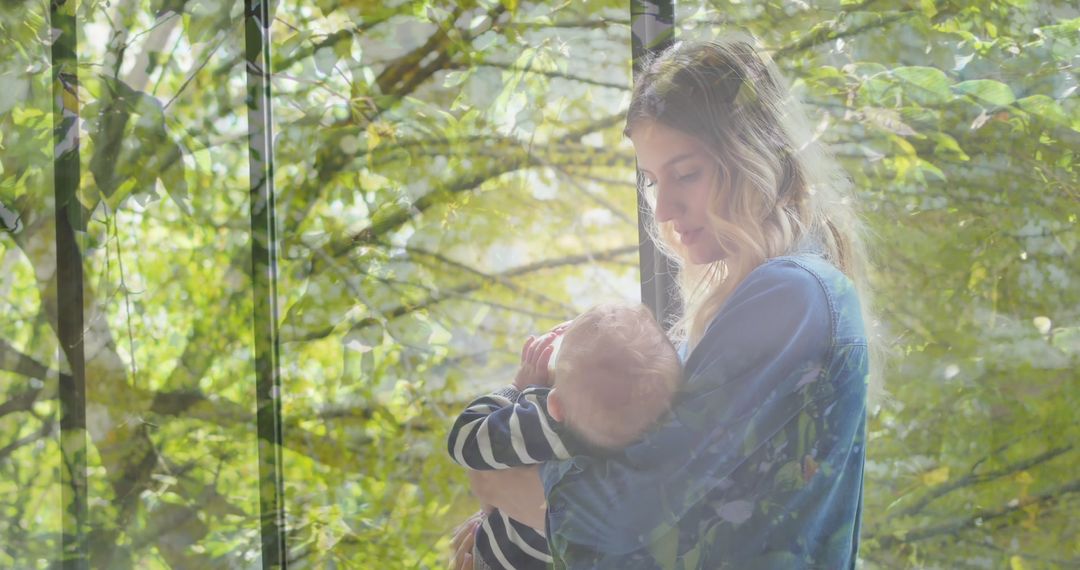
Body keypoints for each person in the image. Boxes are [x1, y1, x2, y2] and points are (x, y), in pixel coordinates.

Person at [452, 34, 872, 569]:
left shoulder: (791, 296)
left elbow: (623, 516)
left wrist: (498, 480)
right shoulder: (770, 297)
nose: (665, 208)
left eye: (686, 174)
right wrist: (513, 527)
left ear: (751, 153)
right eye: (652, 181)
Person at [447, 303, 683, 570]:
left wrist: (518, 389)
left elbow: (464, 439)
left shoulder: (546, 426)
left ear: (555, 404)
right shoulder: (649, 446)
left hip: (494, 560)